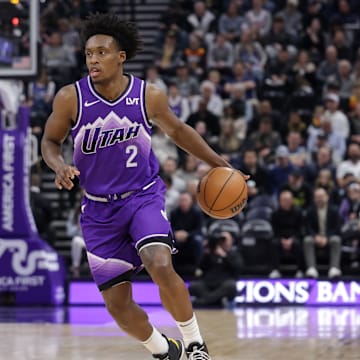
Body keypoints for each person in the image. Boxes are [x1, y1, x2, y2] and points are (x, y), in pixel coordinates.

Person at [41, 13, 248, 360]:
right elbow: (49, 140)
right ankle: (165, 351)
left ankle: (195, 343)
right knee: (118, 307)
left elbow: (180, 131)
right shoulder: (70, 98)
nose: (93, 59)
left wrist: (221, 165)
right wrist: (59, 164)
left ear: (120, 56)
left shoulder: (147, 96)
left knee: (159, 263)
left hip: (143, 197)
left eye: (102, 52)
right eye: (89, 53)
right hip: (97, 210)